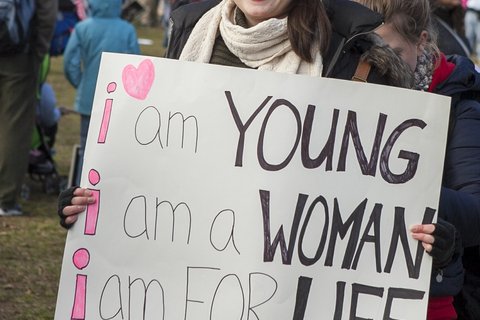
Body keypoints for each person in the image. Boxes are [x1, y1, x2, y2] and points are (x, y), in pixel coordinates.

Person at [58, 0, 456, 302]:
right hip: (196, 292)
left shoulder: (355, 51)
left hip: (295, 298)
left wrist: (426, 244)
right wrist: (95, 208)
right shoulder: (192, 32)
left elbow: (376, 212)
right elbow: (162, 175)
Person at [352, 1, 480, 319]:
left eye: (392, 53)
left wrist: (402, 192)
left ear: (420, 41)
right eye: (367, 55)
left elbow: (475, 213)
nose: (379, 68)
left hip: (433, 294)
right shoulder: (345, 88)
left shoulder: (460, 102)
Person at [63, 0, 140, 186]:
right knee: (116, 147)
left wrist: (80, 83)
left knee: (86, 147)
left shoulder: (82, 28)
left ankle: (83, 189)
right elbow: (135, 62)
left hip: (89, 98)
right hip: (119, 100)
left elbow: (69, 62)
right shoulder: (127, 29)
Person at [0, 0, 57, 216]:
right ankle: (6, 198)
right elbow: (47, 14)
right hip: (19, 54)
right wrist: (38, 51)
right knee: (15, 126)